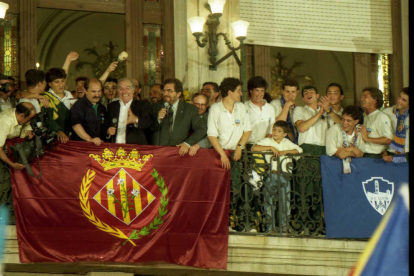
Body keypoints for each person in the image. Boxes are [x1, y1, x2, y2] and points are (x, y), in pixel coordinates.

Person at [251, 121, 302, 232]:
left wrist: (286, 152)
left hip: (284, 175)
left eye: (279, 131)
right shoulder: (267, 141)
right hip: (271, 174)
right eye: (274, 129)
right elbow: (254, 148)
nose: (275, 132)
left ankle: (284, 227)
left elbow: (299, 151)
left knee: (285, 202)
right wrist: (270, 148)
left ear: (284, 134)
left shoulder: (286, 142)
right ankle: (270, 227)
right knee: (269, 202)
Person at [151, 78, 207, 155]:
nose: (165, 93)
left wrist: (187, 143)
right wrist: (158, 119)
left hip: (180, 154)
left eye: (169, 91)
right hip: (159, 153)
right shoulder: (155, 107)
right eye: (164, 90)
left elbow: (202, 129)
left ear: (178, 94)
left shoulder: (190, 109)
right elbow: (148, 128)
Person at [208, 77, 252, 169]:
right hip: (219, 155)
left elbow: (248, 130)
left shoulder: (241, 107)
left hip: (237, 154)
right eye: (239, 91)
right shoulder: (215, 109)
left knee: (238, 181)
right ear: (230, 92)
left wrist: (239, 147)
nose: (240, 94)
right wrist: (222, 155)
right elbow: (212, 135)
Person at [0, 102, 36, 210]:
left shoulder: (21, 117)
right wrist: (11, 164)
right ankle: (4, 215)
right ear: (21, 115)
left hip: (10, 150)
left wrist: (28, 134)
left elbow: (27, 128)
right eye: (28, 118)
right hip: (2, 151)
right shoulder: (5, 121)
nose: (29, 121)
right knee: (4, 182)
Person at [106, 78, 152, 145]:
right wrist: (107, 131)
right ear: (118, 91)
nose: (124, 91)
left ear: (133, 90)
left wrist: (135, 119)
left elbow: (149, 122)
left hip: (135, 149)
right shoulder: (111, 106)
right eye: (121, 89)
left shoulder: (142, 105)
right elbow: (104, 126)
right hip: (114, 148)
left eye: (127, 88)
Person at [326, 105, 365, 173]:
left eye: (348, 120)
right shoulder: (334, 129)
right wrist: (353, 151)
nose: (344, 123)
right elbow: (331, 151)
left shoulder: (359, 130)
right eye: (343, 119)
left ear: (356, 122)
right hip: (334, 168)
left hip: (355, 169)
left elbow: (361, 153)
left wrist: (349, 151)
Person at [293, 86, 329, 155]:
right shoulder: (300, 109)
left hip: (323, 148)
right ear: (303, 99)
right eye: (306, 93)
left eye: (311, 92)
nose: (309, 94)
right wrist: (319, 114)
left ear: (317, 95)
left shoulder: (326, 111)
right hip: (306, 147)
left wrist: (326, 109)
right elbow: (302, 128)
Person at [359, 87, 393, 158]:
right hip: (361, 155)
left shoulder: (381, 117)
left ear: (375, 99)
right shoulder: (363, 116)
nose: (362, 99)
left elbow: (388, 139)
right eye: (362, 97)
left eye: (365, 97)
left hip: (374, 157)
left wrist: (367, 138)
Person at [70, 78, 106, 145]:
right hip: (82, 147)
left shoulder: (102, 107)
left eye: (99, 91)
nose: (97, 95)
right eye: (93, 92)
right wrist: (90, 139)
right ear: (85, 91)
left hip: (99, 147)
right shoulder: (78, 106)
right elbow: (76, 125)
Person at [42, 68, 75, 138]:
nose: (61, 85)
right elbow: (47, 119)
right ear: (50, 83)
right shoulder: (46, 98)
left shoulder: (71, 96)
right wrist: (58, 131)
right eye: (57, 82)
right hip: (54, 138)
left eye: (62, 81)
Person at [245, 76, 275, 146]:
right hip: (249, 146)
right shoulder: (244, 107)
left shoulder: (270, 108)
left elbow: (272, 129)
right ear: (251, 90)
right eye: (257, 90)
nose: (259, 94)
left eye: (262, 91)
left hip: (265, 145)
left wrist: (263, 143)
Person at [382, 87, 409, 163]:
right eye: (399, 96)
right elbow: (379, 135)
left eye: (404, 100)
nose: (399, 100)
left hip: (406, 154)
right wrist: (383, 153)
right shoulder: (385, 113)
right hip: (389, 154)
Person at [270, 79, 300, 144]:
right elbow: (278, 124)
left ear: (297, 92)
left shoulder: (296, 108)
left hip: (293, 144)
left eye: (293, 92)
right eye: (287, 91)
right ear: (282, 91)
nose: (290, 94)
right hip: (278, 144)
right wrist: (286, 105)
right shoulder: (275, 104)